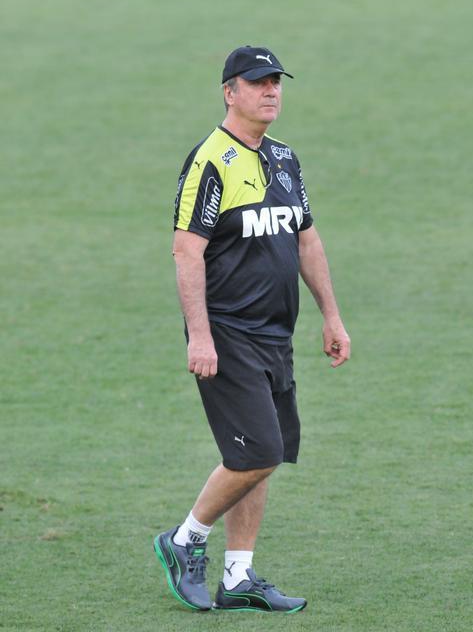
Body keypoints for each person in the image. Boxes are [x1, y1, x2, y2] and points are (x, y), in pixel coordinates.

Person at [154, 45, 350, 613]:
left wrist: (331, 315)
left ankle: (238, 577)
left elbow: (306, 240)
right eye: (258, 82)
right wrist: (200, 335)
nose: (270, 91)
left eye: (276, 82)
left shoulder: (285, 158)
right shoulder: (210, 161)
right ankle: (184, 539)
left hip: (274, 334)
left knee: (261, 454)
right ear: (229, 92)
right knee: (259, 450)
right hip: (228, 332)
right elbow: (187, 252)